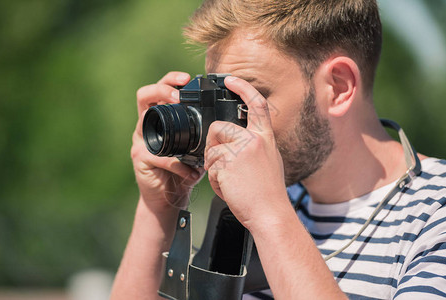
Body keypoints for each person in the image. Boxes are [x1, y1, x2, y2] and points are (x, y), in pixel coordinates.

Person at [111, 0, 446, 299]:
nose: (224, 127)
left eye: (245, 99)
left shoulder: (435, 215)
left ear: (339, 87)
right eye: (219, 99)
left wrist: (269, 217)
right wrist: (157, 209)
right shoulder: (245, 211)